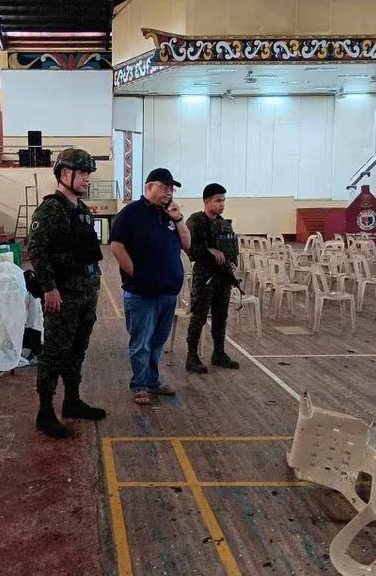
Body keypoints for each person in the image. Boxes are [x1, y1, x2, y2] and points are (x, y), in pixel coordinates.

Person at [26, 148, 107, 438]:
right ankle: (45, 411)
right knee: (55, 353)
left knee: (77, 349)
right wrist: (49, 288)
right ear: (64, 174)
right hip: (62, 295)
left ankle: (71, 400)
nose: (87, 179)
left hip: (85, 293)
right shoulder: (50, 209)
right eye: (83, 173)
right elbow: (36, 250)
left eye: (88, 173)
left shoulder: (81, 211)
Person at [109, 168, 191, 405]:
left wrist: (178, 219)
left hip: (168, 292)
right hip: (141, 293)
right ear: (148, 188)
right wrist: (138, 274)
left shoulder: (169, 216)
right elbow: (116, 246)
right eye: (164, 188)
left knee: (157, 342)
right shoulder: (130, 214)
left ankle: (153, 380)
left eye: (171, 189)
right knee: (141, 342)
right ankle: (139, 385)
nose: (169, 193)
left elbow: (187, 244)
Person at [184, 183, 241, 373]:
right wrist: (209, 250)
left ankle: (219, 353)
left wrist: (232, 263)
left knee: (221, 317)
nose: (222, 204)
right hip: (205, 276)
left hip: (223, 276)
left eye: (223, 200)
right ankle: (192, 356)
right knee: (199, 316)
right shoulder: (196, 221)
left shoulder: (225, 224)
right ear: (207, 201)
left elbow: (231, 249)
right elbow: (189, 247)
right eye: (218, 200)